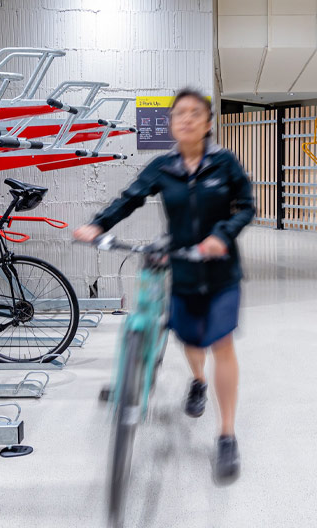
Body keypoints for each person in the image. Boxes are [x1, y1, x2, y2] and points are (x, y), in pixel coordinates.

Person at [73, 89, 254, 484]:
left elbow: (246, 206)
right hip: (184, 267)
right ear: (171, 124)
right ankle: (199, 382)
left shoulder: (224, 164)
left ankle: (227, 436)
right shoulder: (162, 167)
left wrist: (222, 235)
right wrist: (98, 225)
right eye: (179, 114)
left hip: (222, 271)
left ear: (207, 123)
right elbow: (130, 198)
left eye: (195, 113)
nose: (186, 119)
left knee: (220, 342)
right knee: (190, 338)